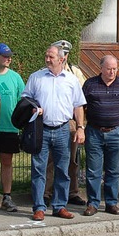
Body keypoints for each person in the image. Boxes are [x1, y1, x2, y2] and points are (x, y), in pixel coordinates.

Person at [22, 44, 86, 221]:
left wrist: (80, 127)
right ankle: (39, 207)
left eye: (51, 57)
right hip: (41, 129)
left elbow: (78, 105)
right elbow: (25, 99)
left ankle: (59, 206)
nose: (47, 59)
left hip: (63, 130)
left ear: (62, 59)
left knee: (63, 170)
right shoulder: (37, 77)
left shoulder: (71, 80)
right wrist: (34, 108)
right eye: (47, 56)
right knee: (38, 169)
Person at [82, 55, 119, 216]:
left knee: (114, 171)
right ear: (101, 68)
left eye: (115, 69)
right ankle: (93, 203)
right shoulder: (90, 84)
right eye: (109, 68)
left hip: (117, 132)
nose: (112, 72)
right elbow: (81, 106)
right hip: (94, 132)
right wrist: (81, 126)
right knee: (93, 170)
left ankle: (111, 203)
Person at [44, 39, 87, 207]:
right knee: (49, 160)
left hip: (70, 121)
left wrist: (80, 125)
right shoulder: (44, 72)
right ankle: (47, 193)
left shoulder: (75, 72)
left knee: (71, 159)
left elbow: (81, 99)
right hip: (52, 121)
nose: (65, 56)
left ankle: (72, 192)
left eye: (66, 53)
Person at [0, 43, 25, 212]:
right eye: (5, 56)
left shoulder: (15, 77)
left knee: (7, 162)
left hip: (10, 127)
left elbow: (23, 100)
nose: (9, 59)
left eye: (10, 56)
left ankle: (7, 197)